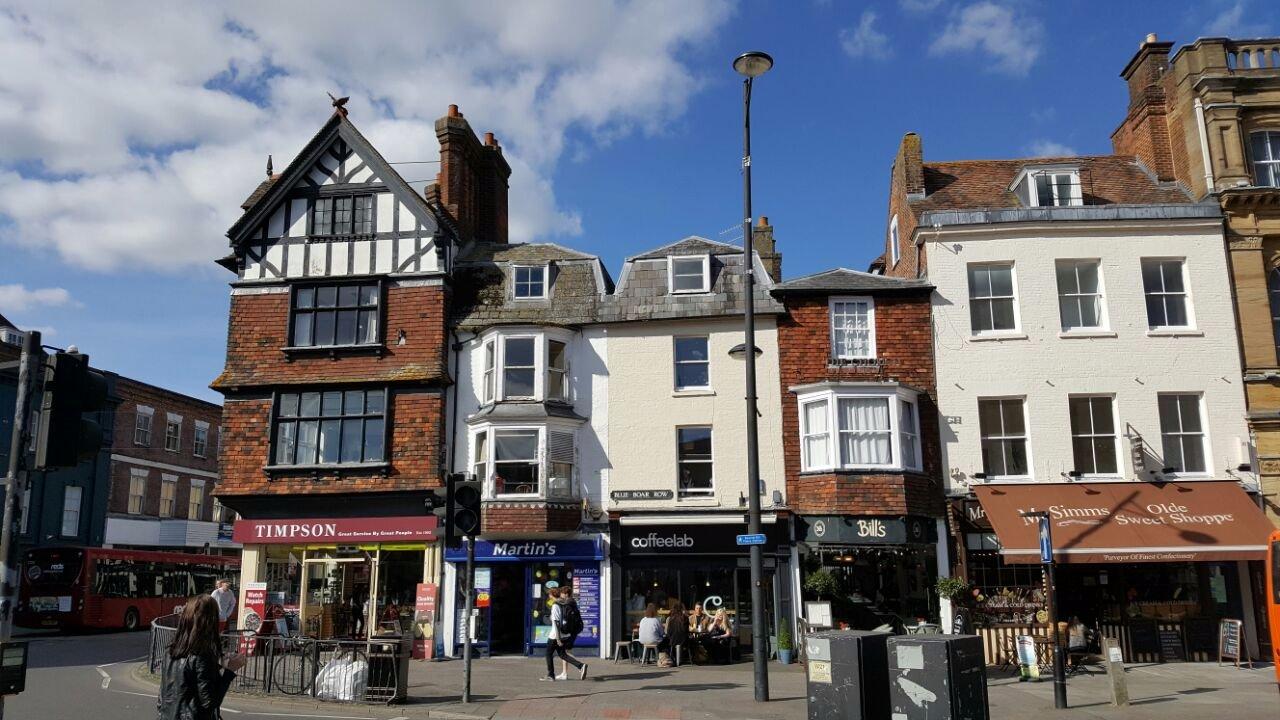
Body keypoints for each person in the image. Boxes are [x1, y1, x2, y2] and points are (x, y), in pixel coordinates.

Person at [158, 594, 246, 720]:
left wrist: (219, 663)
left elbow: (166, 693)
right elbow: (209, 703)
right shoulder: (201, 655)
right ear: (209, 622)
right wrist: (229, 671)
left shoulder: (170, 652)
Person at [540, 587, 587, 681]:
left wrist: (557, 638)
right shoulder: (564, 603)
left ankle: (550, 675)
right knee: (562, 654)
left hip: (555, 635)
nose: (549, 596)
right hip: (565, 634)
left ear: (552, 595)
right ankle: (581, 666)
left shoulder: (555, 605)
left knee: (548, 654)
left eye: (550, 594)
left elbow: (557, 622)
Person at [555, 585, 587, 679]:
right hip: (574, 630)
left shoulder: (568, 604)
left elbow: (566, 618)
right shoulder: (572, 602)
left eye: (561, 593)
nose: (560, 595)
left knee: (564, 652)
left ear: (565, 594)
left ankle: (580, 666)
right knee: (566, 650)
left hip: (570, 631)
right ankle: (564, 673)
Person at [660, 601, 688, 666]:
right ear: (681, 609)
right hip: (684, 641)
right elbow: (687, 631)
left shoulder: (670, 619)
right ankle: (686, 658)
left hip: (672, 641)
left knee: (665, 642)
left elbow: (668, 632)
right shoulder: (685, 618)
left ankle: (672, 657)